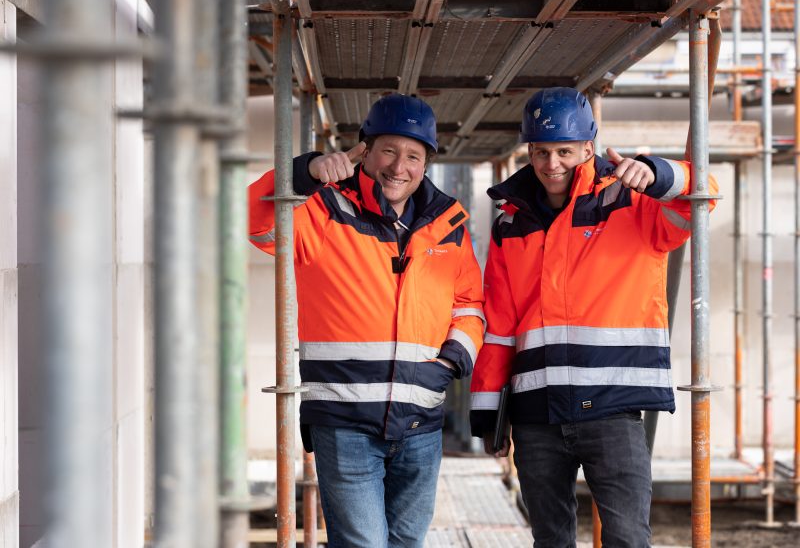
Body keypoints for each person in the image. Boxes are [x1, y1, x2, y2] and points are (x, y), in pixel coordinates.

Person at [469, 87, 717, 547]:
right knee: (550, 539)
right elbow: (500, 325)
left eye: (565, 151)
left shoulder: (633, 200)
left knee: (627, 538)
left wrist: (660, 173)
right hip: (535, 414)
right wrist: (488, 410)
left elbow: (701, 197)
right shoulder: (511, 220)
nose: (551, 164)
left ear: (588, 146)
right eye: (541, 152)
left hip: (614, 409)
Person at [249, 93, 484, 548]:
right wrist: (305, 171)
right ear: (365, 152)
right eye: (389, 151)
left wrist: (452, 363)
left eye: (413, 155)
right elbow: (252, 221)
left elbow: (469, 304)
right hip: (344, 424)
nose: (399, 167)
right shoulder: (321, 211)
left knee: (405, 544)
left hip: (421, 423)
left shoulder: (448, 224)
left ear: (427, 162)